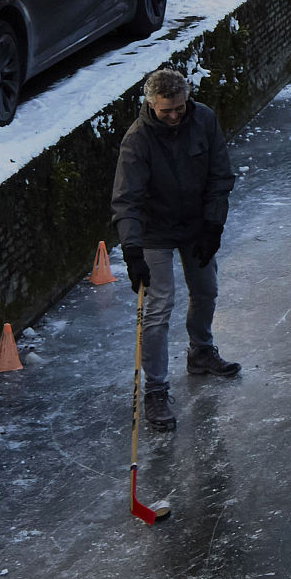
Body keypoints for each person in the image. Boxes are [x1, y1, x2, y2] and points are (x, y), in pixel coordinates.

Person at [112, 67, 240, 432]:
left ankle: (201, 351)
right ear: (151, 105)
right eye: (166, 110)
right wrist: (132, 250)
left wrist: (214, 224)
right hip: (155, 233)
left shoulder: (204, 121)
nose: (173, 116)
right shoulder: (137, 140)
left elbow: (220, 176)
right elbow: (127, 200)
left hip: (196, 225)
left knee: (206, 290)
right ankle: (155, 389)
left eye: (179, 108)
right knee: (158, 307)